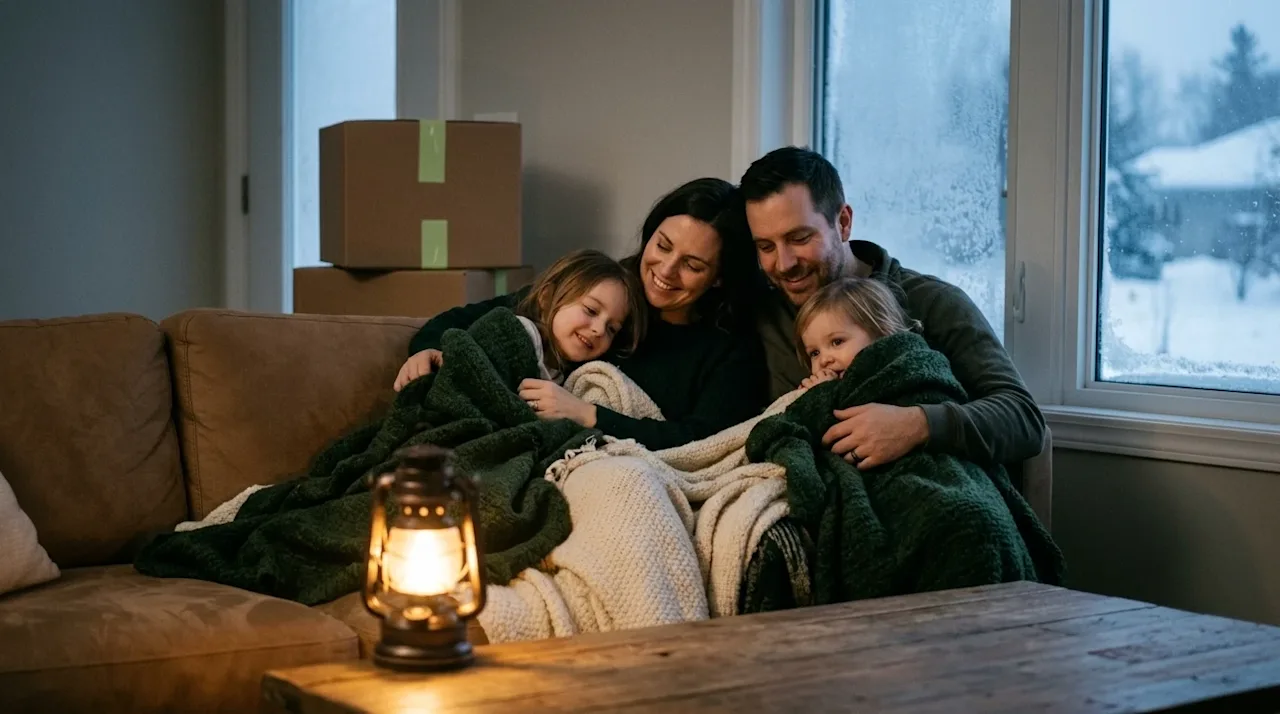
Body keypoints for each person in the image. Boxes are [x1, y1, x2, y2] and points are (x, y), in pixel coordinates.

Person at [397, 177, 770, 450]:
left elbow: (706, 440)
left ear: (719, 278)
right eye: (663, 245)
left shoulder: (729, 349)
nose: (666, 271)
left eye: (692, 264)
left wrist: (588, 415)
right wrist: (428, 349)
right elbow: (470, 320)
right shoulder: (607, 288)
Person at [739, 146, 1045, 470]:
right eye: (765, 246)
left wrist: (916, 425)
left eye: (800, 238)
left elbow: (1023, 419)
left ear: (843, 223)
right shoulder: (762, 313)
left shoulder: (931, 302)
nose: (783, 264)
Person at [394, 249, 646, 394]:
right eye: (591, 310)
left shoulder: (576, 376)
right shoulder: (515, 334)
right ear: (547, 298)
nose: (598, 329)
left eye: (612, 328)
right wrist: (430, 351)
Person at [795, 277, 919, 391]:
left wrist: (822, 394)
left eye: (837, 342)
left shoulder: (906, 375)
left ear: (881, 332)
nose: (824, 360)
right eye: (814, 353)